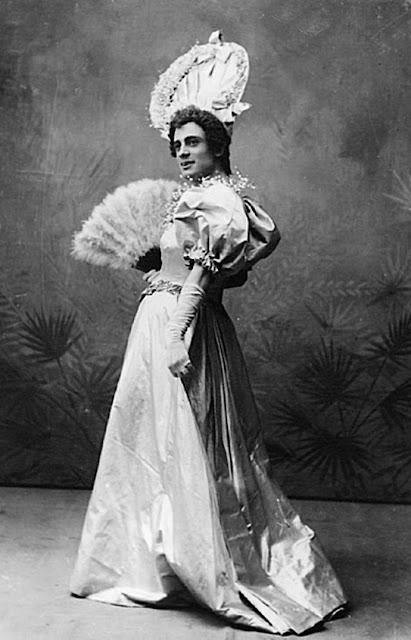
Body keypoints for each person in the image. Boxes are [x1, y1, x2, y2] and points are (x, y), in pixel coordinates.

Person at [70, 33, 346, 635]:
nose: (181, 152)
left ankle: (209, 561)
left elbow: (206, 277)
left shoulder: (218, 200)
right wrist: (162, 271)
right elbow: (206, 270)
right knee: (159, 439)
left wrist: (177, 331)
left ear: (218, 145)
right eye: (177, 144)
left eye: (192, 142)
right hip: (167, 317)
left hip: (183, 327)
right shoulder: (198, 199)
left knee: (193, 441)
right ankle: (165, 557)